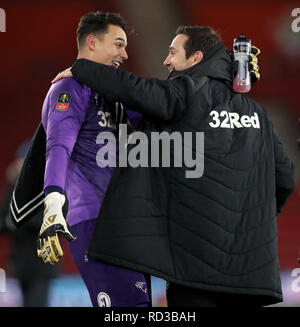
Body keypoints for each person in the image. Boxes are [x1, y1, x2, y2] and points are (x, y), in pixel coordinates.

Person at [53, 25, 296, 307]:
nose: (166, 61)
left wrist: (83, 69)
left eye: (173, 53)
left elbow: (134, 88)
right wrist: (247, 218)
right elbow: (286, 178)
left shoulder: (187, 92)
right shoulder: (259, 114)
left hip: (195, 272)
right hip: (252, 278)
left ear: (195, 59)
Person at [35, 11, 150, 307]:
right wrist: (53, 201)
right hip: (94, 220)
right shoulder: (67, 89)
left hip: (127, 220)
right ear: (92, 43)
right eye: (118, 44)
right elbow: (58, 146)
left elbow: (161, 109)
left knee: (138, 308)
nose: (125, 54)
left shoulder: (115, 96)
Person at [0, 141, 59, 306]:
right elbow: (3, 220)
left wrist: (17, 221)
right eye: (21, 160)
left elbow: (47, 221)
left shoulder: (48, 188)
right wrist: (12, 222)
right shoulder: (12, 189)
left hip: (41, 263)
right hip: (20, 264)